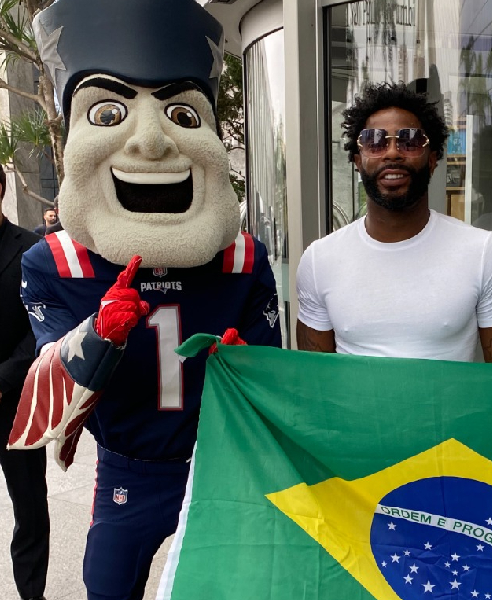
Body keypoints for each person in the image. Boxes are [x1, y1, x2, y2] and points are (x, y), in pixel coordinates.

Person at [7, 1, 282, 599]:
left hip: (222, 464)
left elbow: (276, 370)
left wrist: (249, 367)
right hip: (129, 467)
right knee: (108, 587)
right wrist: (97, 334)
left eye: (182, 113)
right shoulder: (55, 262)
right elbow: (47, 397)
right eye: (109, 112)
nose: (151, 142)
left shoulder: (242, 257)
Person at [296, 82, 492, 362]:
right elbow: (315, 379)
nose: (392, 152)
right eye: (375, 141)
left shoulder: (483, 252)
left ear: (432, 160)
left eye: (410, 140)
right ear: (358, 161)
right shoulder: (319, 261)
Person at [0, 169, 49, 600]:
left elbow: (41, 324)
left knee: (30, 506)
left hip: (16, 403)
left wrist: (4, 378)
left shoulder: (31, 250)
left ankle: (31, 593)